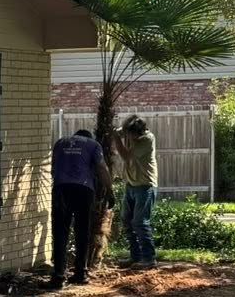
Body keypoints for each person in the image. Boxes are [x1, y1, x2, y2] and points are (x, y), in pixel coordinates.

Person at [50, 126, 107, 286]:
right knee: (82, 231)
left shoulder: (60, 143)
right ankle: (80, 274)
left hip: (61, 189)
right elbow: (102, 168)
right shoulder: (93, 144)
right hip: (84, 190)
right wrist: (109, 190)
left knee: (60, 233)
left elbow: (53, 167)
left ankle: (58, 276)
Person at [117, 114, 159, 267]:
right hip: (131, 185)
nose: (129, 137)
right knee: (127, 221)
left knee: (140, 222)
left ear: (139, 132)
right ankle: (136, 257)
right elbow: (118, 132)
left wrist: (116, 138)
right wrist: (114, 132)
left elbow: (125, 156)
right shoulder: (129, 130)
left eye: (131, 134)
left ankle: (149, 259)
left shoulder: (147, 140)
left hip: (145, 185)